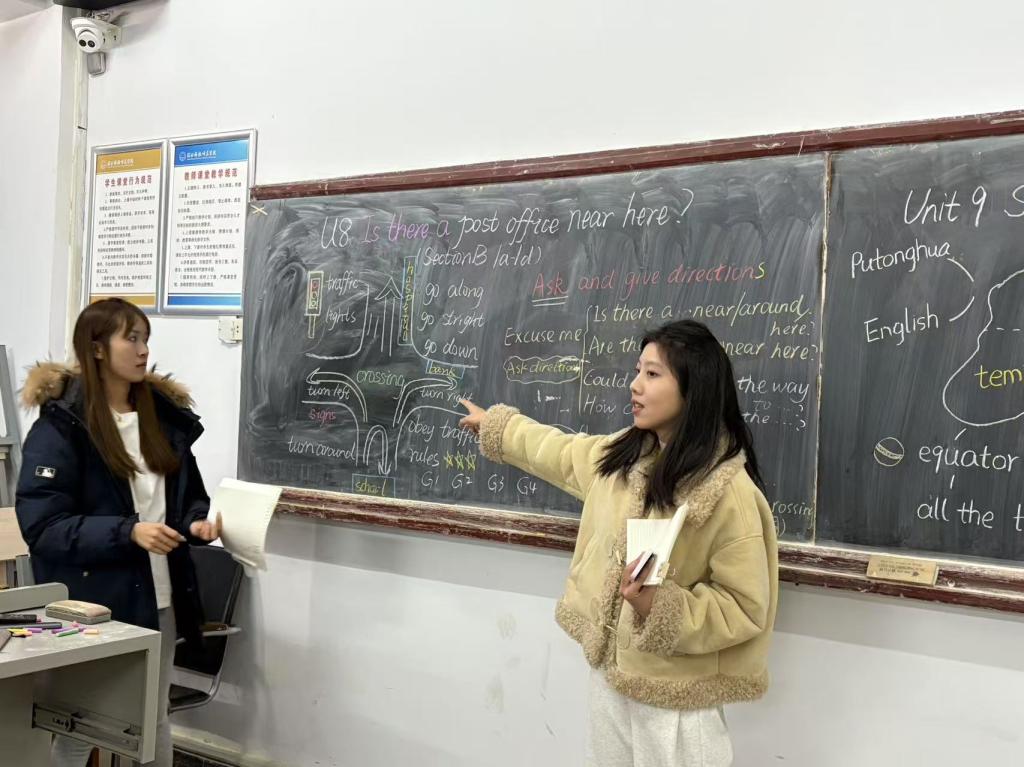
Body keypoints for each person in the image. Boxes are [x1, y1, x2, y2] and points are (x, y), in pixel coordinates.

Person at [459, 319, 777, 767]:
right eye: (637, 371)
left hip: (677, 700)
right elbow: (558, 453)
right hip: (611, 678)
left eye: (653, 374)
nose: (635, 385)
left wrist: (659, 607)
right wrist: (497, 427)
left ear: (695, 388)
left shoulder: (728, 494)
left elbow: (744, 607)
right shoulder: (624, 459)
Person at [15, 298, 221, 767]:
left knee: (154, 718)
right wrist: (128, 532)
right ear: (97, 348)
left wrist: (195, 523)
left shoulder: (163, 418)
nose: (143, 350)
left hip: (161, 597)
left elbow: (187, 496)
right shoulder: (62, 427)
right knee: (81, 725)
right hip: (93, 605)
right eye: (131, 338)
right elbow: (43, 527)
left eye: (146, 338)